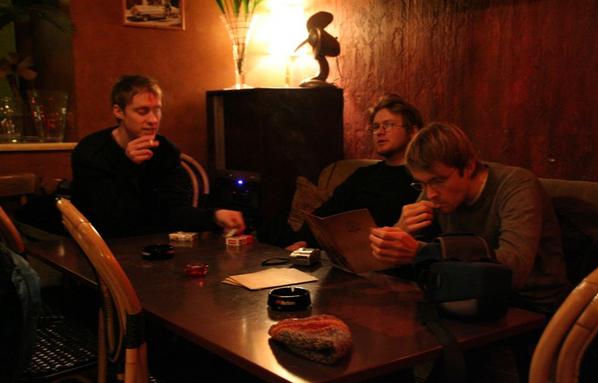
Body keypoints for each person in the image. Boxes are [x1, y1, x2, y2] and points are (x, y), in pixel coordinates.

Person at [369, 122, 567, 313]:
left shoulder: (516, 186)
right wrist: (399, 232)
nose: (430, 194)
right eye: (422, 184)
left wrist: (421, 252)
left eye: (439, 181)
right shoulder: (435, 191)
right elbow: (404, 253)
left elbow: (513, 272)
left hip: (530, 305)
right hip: (468, 296)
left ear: (469, 167)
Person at [71, 75, 244, 237]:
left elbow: (175, 212)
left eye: (157, 110)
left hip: (156, 242)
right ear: (118, 111)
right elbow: (102, 218)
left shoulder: (165, 150)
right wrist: (127, 165)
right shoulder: (91, 150)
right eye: (142, 111)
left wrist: (215, 216)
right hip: (106, 245)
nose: (153, 120)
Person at [263, 93, 426, 250]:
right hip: (341, 253)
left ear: (413, 131)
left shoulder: (423, 178)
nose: (380, 132)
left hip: (390, 255)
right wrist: (303, 241)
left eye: (388, 125)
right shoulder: (363, 175)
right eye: (376, 127)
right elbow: (324, 215)